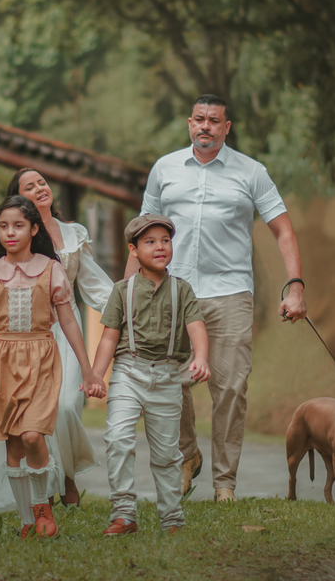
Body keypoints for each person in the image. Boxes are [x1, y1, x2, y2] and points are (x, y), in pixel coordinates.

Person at [128, 94, 308, 503]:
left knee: (230, 388)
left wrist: (294, 286)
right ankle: (187, 455)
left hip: (229, 293)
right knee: (167, 381)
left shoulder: (252, 172)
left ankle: (224, 483)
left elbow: (283, 230)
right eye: (199, 119)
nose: (205, 126)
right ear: (188, 123)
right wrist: (128, 298)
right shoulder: (165, 169)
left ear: (227, 128)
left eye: (214, 120)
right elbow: (140, 237)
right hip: (169, 292)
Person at [0, 169, 113, 513]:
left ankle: (65, 474)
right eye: (29, 186)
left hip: (64, 334)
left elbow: (94, 285)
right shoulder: (7, 252)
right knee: (24, 423)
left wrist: (129, 308)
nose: (39, 188)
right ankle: (44, 496)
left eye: (42, 182)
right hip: (18, 341)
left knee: (66, 406)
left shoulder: (72, 234)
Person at [91, 214, 210, 535]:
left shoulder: (182, 290)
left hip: (169, 375)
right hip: (128, 371)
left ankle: (171, 517)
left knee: (167, 452)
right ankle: (124, 513)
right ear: (133, 250)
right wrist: (96, 375)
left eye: (165, 240)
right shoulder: (122, 290)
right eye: (150, 242)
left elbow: (196, 326)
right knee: (117, 438)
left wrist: (201, 357)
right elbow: (108, 338)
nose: (160, 247)